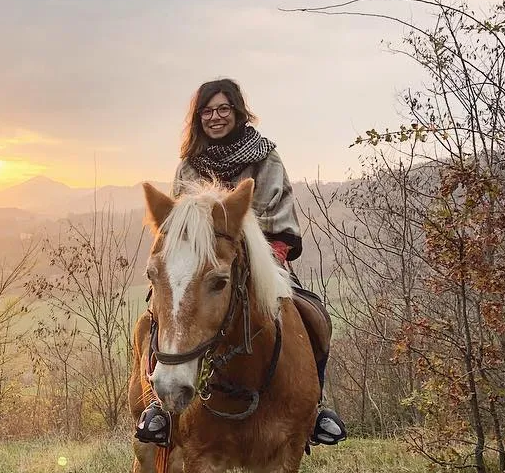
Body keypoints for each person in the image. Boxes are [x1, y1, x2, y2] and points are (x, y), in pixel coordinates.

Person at [135, 78, 347, 447]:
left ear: (237, 112)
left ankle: (313, 408)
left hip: (261, 260)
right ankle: (160, 407)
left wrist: (271, 256)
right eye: (207, 111)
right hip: (204, 266)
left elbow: (278, 212)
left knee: (314, 316)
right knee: (160, 314)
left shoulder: (265, 157)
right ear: (198, 117)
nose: (215, 117)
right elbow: (176, 225)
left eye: (222, 109)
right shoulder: (189, 166)